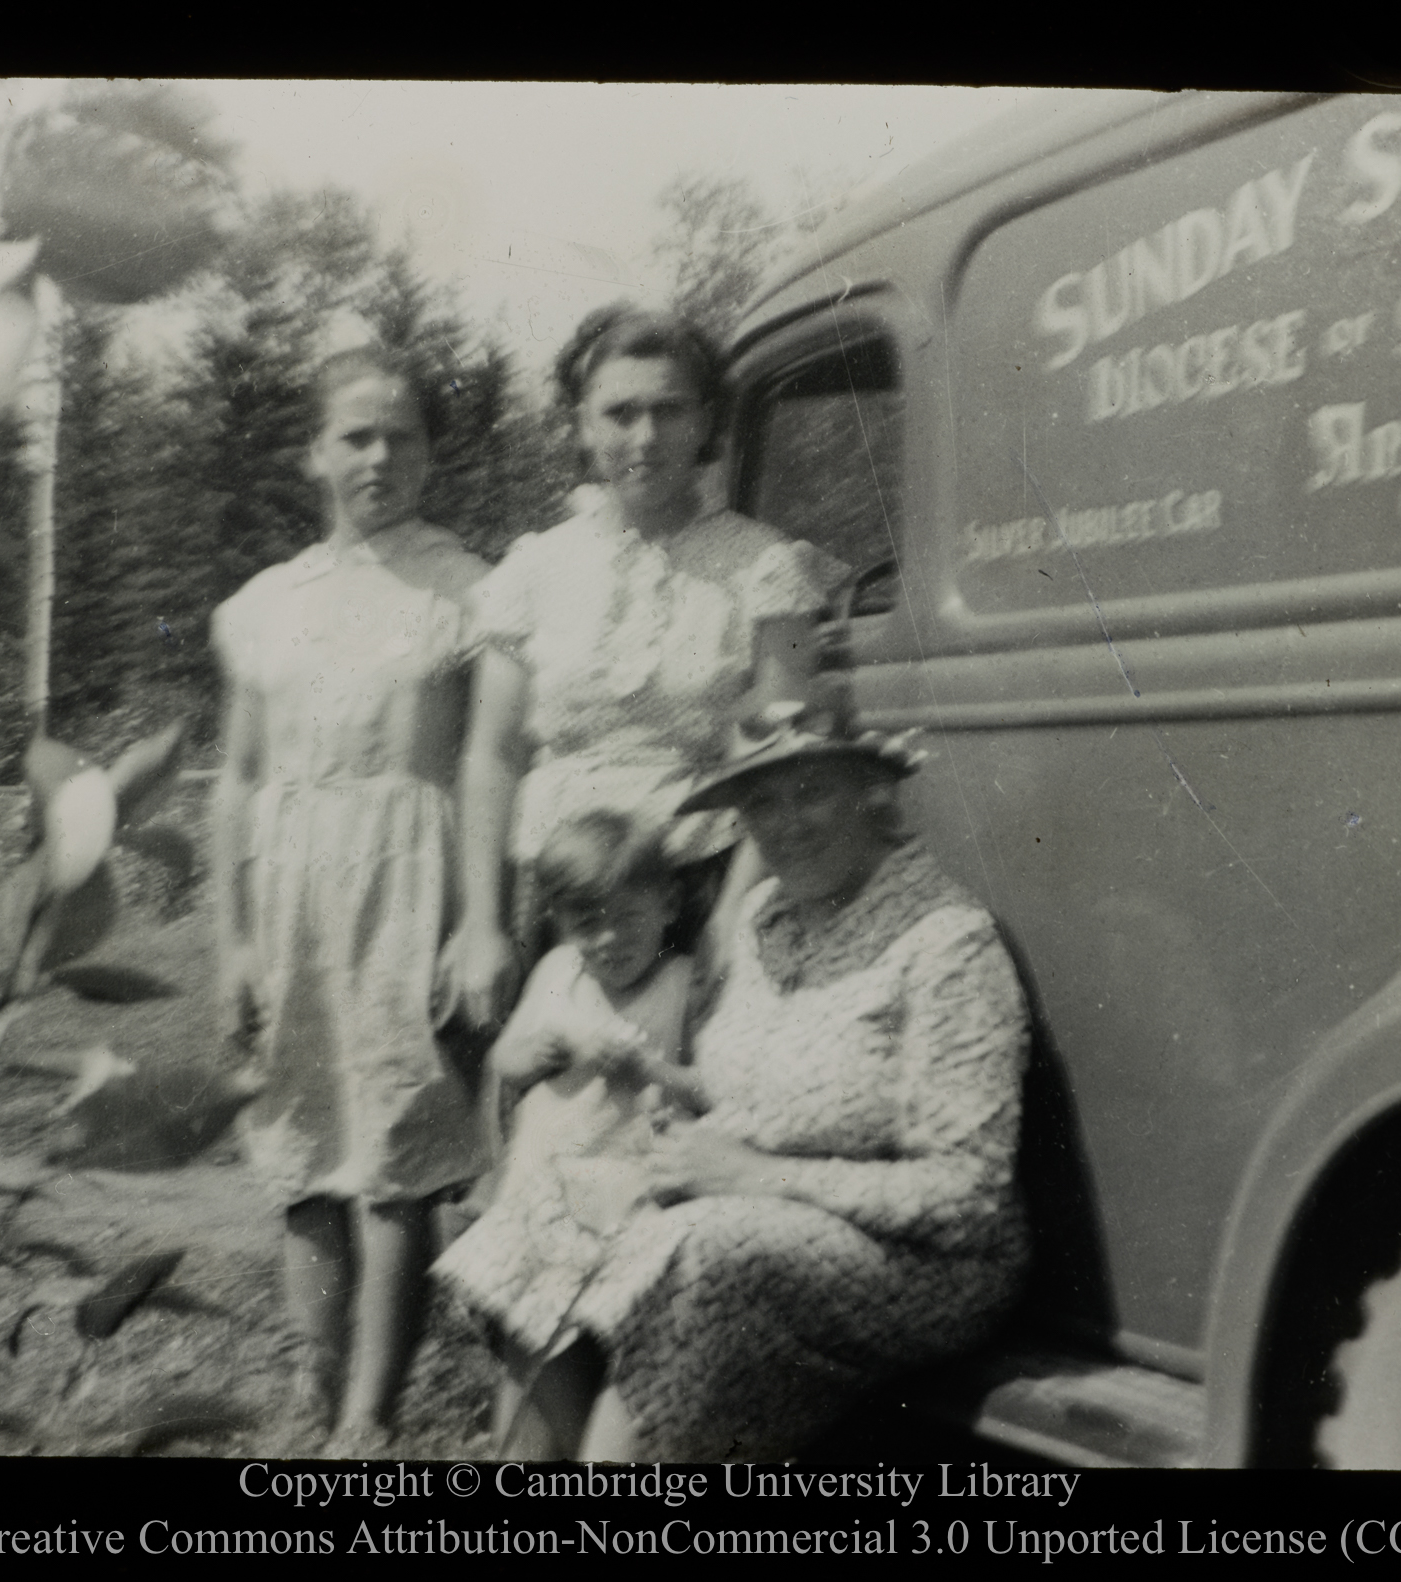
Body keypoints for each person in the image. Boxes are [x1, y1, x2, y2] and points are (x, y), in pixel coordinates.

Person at [526, 683, 1033, 1462]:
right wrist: (673, 1098)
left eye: (811, 792)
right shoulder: (769, 919)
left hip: (920, 1268)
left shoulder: (945, 942)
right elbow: (750, 1093)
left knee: (697, 1249)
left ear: (873, 791)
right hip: (764, 1211)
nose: (787, 823)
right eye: (763, 803)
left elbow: (966, 1197)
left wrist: (752, 1174)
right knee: (538, 1227)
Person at [210, 342, 486, 1444]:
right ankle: (313, 1390)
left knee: (392, 1159)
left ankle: (369, 1420)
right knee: (302, 1148)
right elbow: (236, 778)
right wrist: (229, 943)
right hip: (287, 892)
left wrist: (473, 921)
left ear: (428, 451)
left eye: (402, 435)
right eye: (356, 436)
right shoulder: (262, 605)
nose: (379, 456)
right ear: (313, 453)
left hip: (405, 882)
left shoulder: (467, 589)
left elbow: (477, 763)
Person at [436, 303, 845, 1034]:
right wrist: (482, 924)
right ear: (581, 426)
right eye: (619, 413)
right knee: (555, 1111)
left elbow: (779, 762)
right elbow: (491, 756)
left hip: (696, 887)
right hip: (557, 900)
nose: (646, 437)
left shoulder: (765, 567)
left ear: (706, 421)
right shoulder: (534, 570)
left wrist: (730, 918)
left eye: (669, 410)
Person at [432, 811, 705, 1457]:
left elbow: (704, 1085)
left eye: (628, 918)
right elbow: (506, 1063)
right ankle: (548, 1447)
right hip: (539, 1194)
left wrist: (649, 1068)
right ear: (559, 919)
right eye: (587, 923)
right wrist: (544, 1049)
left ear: (668, 904)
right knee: (532, 1342)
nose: (609, 939)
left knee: (578, 1340)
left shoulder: (681, 981)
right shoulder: (559, 972)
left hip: (623, 1199)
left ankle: (574, 1447)